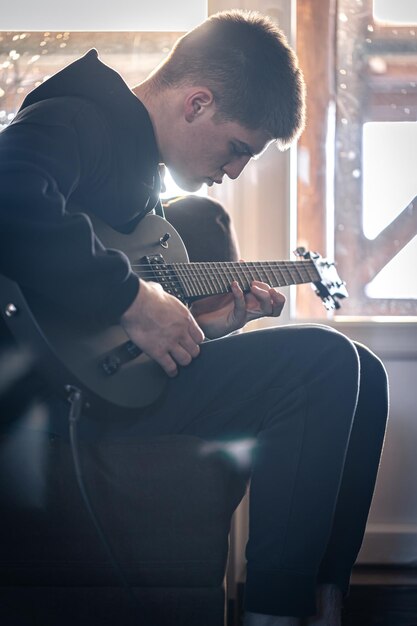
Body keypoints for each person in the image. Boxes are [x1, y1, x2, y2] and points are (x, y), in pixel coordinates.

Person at [0, 10, 388, 626]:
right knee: (327, 361)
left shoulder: (140, 175)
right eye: (238, 148)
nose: (233, 171)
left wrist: (197, 328)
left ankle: (324, 605)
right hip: (47, 395)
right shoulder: (79, 116)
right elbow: (9, 194)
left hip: (99, 378)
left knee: (366, 372)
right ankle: (273, 615)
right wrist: (132, 300)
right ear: (196, 103)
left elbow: (101, 326)